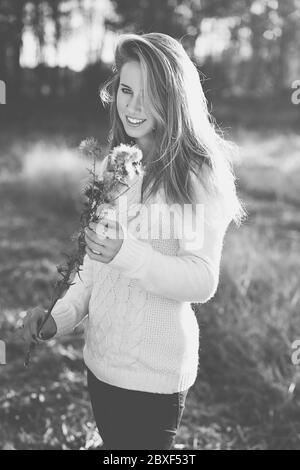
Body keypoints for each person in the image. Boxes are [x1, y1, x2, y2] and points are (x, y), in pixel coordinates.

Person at [19, 32, 247, 450]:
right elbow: (94, 265)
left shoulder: (193, 175)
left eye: (150, 94)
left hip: (153, 375)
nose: (134, 106)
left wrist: (130, 254)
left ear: (174, 98)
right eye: (126, 90)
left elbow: (202, 279)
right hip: (100, 361)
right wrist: (61, 316)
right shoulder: (117, 166)